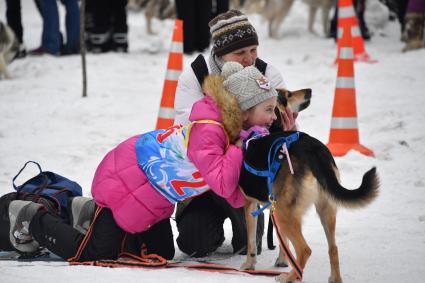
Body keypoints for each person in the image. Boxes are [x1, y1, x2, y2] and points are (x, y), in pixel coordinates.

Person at [7, 61, 279, 262]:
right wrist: (240, 148)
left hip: (152, 195)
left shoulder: (233, 133)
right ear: (244, 111)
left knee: (160, 254)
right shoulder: (211, 130)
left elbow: (234, 196)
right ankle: (31, 218)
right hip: (126, 180)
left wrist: (263, 185)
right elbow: (221, 184)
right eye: (268, 110)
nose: (274, 117)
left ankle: (88, 213)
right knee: (94, 254)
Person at [174, 9, 297, 258]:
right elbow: (188, 130)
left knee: (247, 247)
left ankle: (247, 222)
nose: (249, 59)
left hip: (246, 177)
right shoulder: (196, 75)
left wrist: (289, 130)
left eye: (253, 50)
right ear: (220, 54)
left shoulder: (267, 73)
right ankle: (206, 224)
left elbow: (282, 126)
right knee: (195, 245)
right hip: (203, 178)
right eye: (240, 53)